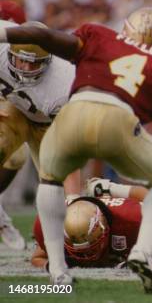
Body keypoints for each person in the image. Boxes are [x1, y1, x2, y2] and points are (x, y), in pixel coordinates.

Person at [0, 7, 152, 293]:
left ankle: (59, 272)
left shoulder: (98, 35)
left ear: (125, 29)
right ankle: (143, 251)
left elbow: (41, 34)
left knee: (49, 180)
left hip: (74, 113)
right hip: (119, 123)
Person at [0, 17, 79, 251]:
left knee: (56, 185)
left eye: (32, 64)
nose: (24, 69)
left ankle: (55, 244)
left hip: (47, 124)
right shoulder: (3, 42)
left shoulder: (62, 84)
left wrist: (74, 201)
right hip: (12, 108)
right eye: (20, 61)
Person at [31, 178, 152, 270]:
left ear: (103, 228)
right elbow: (37, 257)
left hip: (129, 210)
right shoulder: (48, 226)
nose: (86, 258)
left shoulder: (131, 220)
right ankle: (98, 189)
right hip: (78, 205)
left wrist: (143, 264)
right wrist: (48, 265)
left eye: (91, 247)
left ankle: (108, 187)